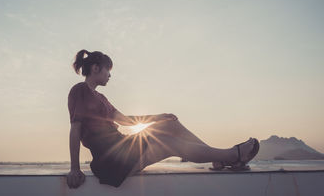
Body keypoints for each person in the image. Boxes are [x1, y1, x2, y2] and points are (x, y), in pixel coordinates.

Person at [66, 49, 260, 188]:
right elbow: (75, 128)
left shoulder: (102, 98)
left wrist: (158, 118)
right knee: (166, 142)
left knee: (170, 124)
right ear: (96, 68)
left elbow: (125, 120)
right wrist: (74, 168)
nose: (110, 75)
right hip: (111, 161)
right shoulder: (80, 90)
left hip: (122, 149)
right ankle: (233, 155)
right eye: (108, 70)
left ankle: (217, 159)